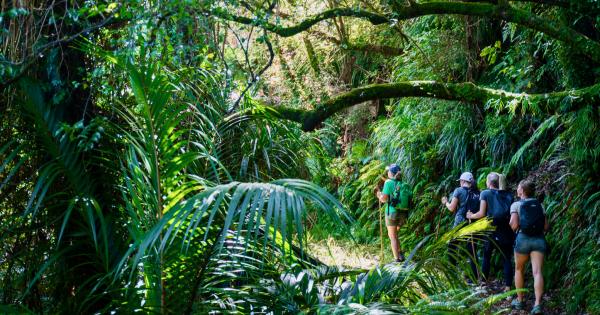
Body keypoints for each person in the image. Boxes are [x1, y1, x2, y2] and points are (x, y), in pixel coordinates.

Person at [466, 172, 514, 292]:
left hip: (491, 230)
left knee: (487, 256)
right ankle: (508, 287)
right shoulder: (509, 195)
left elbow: (482, 213)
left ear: (489, 182)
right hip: (506, 230)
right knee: (507, 259)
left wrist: (471, 215)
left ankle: (483, 284)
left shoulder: (485, 193)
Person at [509, 180, 549, 314]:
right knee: (537, 272)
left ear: (522, 191)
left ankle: (520, 301)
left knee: (519, 269)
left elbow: (513, 225)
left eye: (518, 187)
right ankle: (537, 305)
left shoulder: (516, 205)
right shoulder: (539, 205)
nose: (517, 189)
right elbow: (545, 227)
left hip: (523, 239)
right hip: (539, 240)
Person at [441, 171, 479, 280]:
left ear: (463, 181)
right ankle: (474, 276)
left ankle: (452, 272)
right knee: (471, 249)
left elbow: (452, 208)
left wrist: (445, 202)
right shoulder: (478, 192)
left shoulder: (459, 191)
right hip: (472, 223)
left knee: (452, 247)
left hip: (460, 223)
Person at [376, 164, 411, 262]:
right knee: (395, 234)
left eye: (389, 171)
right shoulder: (404, 184)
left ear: (391, 173)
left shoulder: (388, 182)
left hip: (392, 213)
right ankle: (400, 254)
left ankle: (397, 260)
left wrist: (379, 195)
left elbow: (384, 199)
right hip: (403, 214)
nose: (387, 172)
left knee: (392, 236)